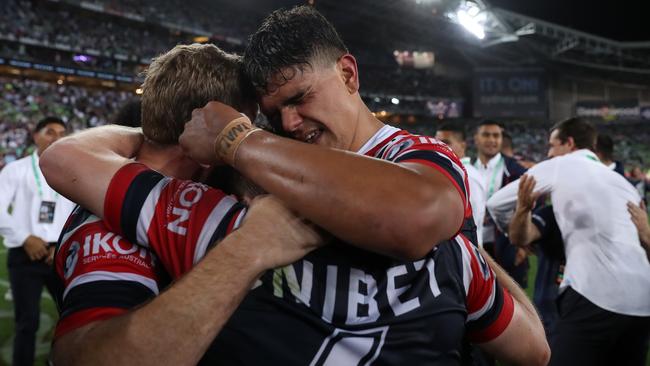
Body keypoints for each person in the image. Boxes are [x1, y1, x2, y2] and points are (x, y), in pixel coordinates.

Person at [43, 7, 549, 365]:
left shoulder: (420, 171)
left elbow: (414, 213)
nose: (288, 124)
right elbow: (532, 348)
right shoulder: (233, 216)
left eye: (302, 98)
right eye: (272, 116)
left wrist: (235, 140)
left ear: (348, 74)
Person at [487, 117, 650, 366]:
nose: (549, 153)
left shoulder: (562, 165)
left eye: (552, 146)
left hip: (595, 295)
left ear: (569, 143)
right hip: (642, 301)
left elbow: (496, 204)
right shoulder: (624, 184)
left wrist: (515, 236)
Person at [0, 116, 75, 366]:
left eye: (62, 133)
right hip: (25, 254)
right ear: (35, 136)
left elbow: (79, 212)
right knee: (27, 323)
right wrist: (25, 237)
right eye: (50, 132)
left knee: (73, 319)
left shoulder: (72, 172)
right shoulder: (16, 169)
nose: (57, 138)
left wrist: (62, 244)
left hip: (61, 254)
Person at [473, 120, 529, 288]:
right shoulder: (467, 168)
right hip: (475, 245)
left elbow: (531, 206)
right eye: (486, 135)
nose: (492, 140)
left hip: (506, 247)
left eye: (496, 135)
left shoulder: (516, 171)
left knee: (512, 303)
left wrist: (524, 245)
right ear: (476, 139)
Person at [506, 175, 565, 336]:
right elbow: (523, 236)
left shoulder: (552, 213)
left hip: (561, 276)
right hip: (556, 272)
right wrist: (524, 210)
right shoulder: (550, 213)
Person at [435, 122, 486, 247]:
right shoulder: (457, 172)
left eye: (446, 142)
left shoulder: (468, 176)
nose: (438, 146)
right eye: (436, 142)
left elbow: (471, 222)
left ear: (463, 145)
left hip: (465, 251)